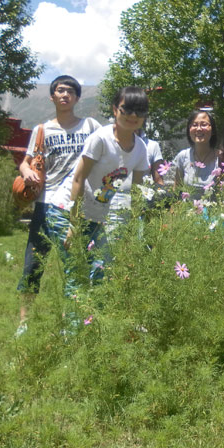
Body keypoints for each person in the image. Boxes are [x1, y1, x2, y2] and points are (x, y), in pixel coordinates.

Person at [15, 75, 102, 337]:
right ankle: (24, 323)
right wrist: (26, 173)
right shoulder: (42, 130)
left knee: (75, 266)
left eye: (70, 91)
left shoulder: (90, 126)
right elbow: (25, 162)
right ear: (52, 96)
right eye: (60, 90)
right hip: (45, 204)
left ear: (77, 98)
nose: (65, 95)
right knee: (33, 264)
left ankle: (71, 321)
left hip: (77, 207)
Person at [69, 86, 151, 283]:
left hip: (102, 215)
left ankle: (95, 303)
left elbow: (137, 191)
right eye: (127, 109)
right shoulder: (101, 139)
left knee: (105, 269)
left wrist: (132, 227)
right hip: (76, 209)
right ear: (115, 109)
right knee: (75, 270)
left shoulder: (141, 148)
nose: (133, 115)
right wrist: (74, 223)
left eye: (140, 111)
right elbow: (78, 178)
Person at [172, 109, 219, 195]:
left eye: (204, 125)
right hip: (187, 204)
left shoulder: (221, 158)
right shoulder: (183, 156)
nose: (199, 129)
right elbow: (177, 189)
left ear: (213, 130)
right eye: (194, 125)